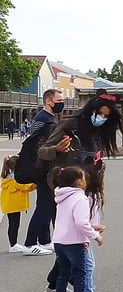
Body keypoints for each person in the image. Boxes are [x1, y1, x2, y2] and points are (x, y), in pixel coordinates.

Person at [38, 93, 123, 292]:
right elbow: (42, 151)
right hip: (64, 191)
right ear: (91, 109)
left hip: (85, 190)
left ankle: (53, 286)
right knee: (78, 242)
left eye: (106, 115)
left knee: (70, 241)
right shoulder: (70, 125)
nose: (101, 118)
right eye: (99, 113)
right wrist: (56, 150)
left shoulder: (99, 131)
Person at [50, 166, 102, 292]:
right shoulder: (80, 198)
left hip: (60, 240)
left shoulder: (61, 197)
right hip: (74, 242)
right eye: (84, 179)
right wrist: (94, 235)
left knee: (63, 273)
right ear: (79, 182)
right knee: (80, 273)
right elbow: (81, 223)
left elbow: (68, 221)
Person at [22, 88, 65, 254]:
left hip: (42, 167)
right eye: (59, 100)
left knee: (47, 204)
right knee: (43, 205)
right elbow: (39, 145)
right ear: (49, 101)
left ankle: (45, 239)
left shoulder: (46, 118)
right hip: (43, 168)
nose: (61, 103)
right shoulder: (45, 121)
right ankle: (30, 243)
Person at [3, 155, 35, 253]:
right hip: (14, 205)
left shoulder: (8, 176)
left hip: (10, 204)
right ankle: (13, 244)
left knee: (13, 224)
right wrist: (35, 184)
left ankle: (12, 243)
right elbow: (25, 186)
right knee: (14, 225)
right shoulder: (15, 178)